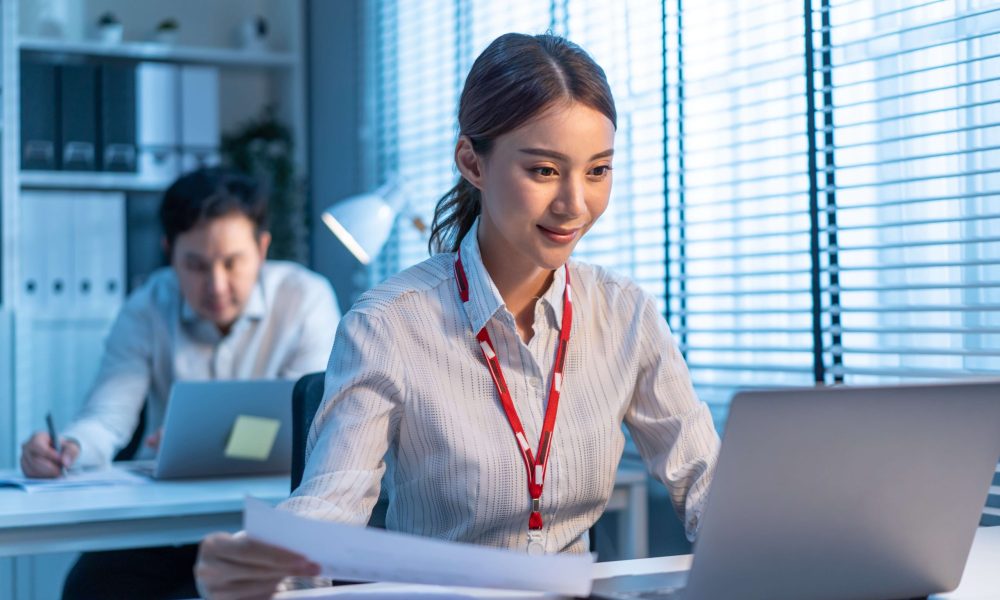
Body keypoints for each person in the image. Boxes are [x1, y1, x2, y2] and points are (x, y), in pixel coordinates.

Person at [195, 32, 720, 599]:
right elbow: (333, 500)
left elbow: (706, 482)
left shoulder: (625, 314)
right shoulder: (389, 324)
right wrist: (266, 560)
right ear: (472, 161)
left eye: (597, 171)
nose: (575, 203)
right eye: (544, 170)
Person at [19, 167, 342, 600]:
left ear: (262, 249)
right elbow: (107, 415)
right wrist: (70, 447)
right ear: (169, 252)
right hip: (168, 526)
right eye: (195, 265)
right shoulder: (146, 307)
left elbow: (308, 424)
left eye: (233, 262)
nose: (216, 285)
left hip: (271, 517)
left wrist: (209, 441)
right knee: (89, 585)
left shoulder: (306, 298)